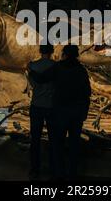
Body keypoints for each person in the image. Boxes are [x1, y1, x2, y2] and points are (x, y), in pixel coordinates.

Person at [28, 45, 91, 180]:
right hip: (76, 113)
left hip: (59, 112)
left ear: (64, 54)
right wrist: (84, 112)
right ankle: (72, 173)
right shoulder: (81, 70)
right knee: (74, 144)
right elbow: (87, 93)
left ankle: (58, 173)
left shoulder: (58, 67)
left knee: (58, 144)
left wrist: (30, 69)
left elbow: (41, 79)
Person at [26, 44, 56, 179]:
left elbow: (32, 85)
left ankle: (34, 168)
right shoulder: (56, 67)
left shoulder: (32, 66)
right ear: (52, 52)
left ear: (40, 51)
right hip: (51, 106)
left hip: (36, 105)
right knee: (53, 139)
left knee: (35, 139)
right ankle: (53, 167)